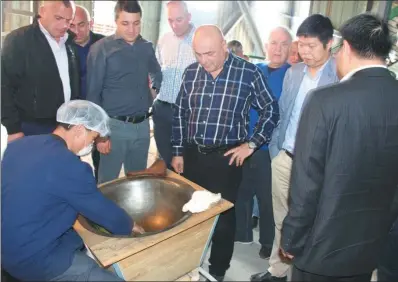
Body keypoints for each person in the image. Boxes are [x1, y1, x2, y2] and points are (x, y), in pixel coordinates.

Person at [280, 13, 398, 281]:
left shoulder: (325, 100)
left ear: (345, 47)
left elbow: (306, 183)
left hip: (321, 249)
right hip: (373, 246)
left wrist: (291, 238)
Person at [171, 25, 279, 281]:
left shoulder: (248, 73)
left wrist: (251, 145)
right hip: (193, 155)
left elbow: (271, 110)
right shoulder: (191, 73)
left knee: (223, 218)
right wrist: (178, 151)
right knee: (189, 214)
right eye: (198, 54)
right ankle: (188, 264)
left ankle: (218, 270)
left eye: (209, 53)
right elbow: (180, 112)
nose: (203, 61)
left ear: (224, 46)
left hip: (227, 159)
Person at [1, 100, 144, 281]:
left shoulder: (20, 145)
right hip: (34, 259)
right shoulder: (69, 166)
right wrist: (130, 225)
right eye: (93, 138)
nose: (91, 144)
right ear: (78, 129)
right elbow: (101, 210)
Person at [251, 14, 338, 282]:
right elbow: (283, 112)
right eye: (301, 45)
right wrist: (277, 151)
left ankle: (304, 273)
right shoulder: (294, 72)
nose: (305, 52)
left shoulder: (340, 76)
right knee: (282, 220)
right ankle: (277, 271)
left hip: (317, 167)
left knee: (311, 223)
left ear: (329, 44)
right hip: (285, 158)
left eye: (311, 46)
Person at [87, 0, 162, 184]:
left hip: (143, 126)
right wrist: (101, 135)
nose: (131, 29)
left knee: (138, 182)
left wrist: (154, 90)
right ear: (116, 21)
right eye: (125, 23)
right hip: (114, 128)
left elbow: (156, 72)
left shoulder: (146, 46)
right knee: (108, 184)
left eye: (136, 23)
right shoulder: (101, 49)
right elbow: (93, 95)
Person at [235, 26, 292, 260]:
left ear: (290, 48)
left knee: (267, 199)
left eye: (283, 44)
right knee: (242, 192)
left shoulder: (293, 75)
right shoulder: (254, 70)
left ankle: (268, 242)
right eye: (273, 43)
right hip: (243, 143)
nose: (277, 49)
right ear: (266, 46)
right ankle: (243, 233)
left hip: (269, 148)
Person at [1, 0, 80, 141]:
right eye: (58, 18)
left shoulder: (70, 42)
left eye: (69, 20)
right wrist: (13, 129)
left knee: (60, 163)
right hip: (31, 126)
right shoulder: (19, 40)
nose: (65, 25)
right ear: (42, 12)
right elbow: (4, 86)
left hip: (65, 124)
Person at [153, 0, 196, 169]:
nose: (174, 25)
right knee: (165, 159)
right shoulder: (164, 40)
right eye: (170, 20)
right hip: (162, 109)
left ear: (189, 17)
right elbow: (155, 70)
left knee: (185, 162)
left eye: (179, 19)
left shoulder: (199, 40)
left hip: (187, 113)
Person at [69, 5, 104, 182]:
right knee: (70, 158)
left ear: (90, 23)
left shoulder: (104, 45)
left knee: (101, 155)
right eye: (71, 25)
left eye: (81, 25)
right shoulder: (63, 45)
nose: (76, 31)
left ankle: (99, 188)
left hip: (98, 110)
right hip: (71, 112)